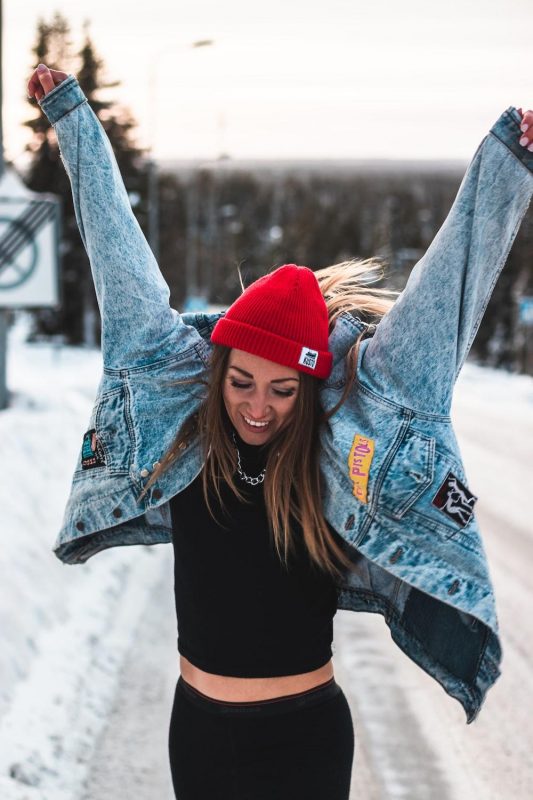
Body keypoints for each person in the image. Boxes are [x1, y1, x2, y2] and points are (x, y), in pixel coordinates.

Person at [28, 63, 533, 799]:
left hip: (303, 736)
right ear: (216, 370)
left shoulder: (336, 444)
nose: (258, 407)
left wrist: (506, 167)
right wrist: (73, 117)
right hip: (196, 728)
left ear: (309, 386)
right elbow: (119, 257)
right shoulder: (184, 422)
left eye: (281, 390)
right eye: (240, 383)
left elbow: (439, 302)